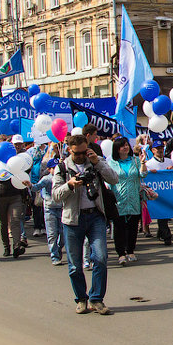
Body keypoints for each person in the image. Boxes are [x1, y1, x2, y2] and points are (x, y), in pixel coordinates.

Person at [52, 134, 120, 315]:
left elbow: (114, 179)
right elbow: (55, 195)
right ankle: (81, 299)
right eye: (77, 153)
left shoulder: (94, 163)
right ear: (69, 150)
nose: (81, 156)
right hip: (72, 219)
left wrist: (98, 162)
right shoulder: (62, 168)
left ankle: (96, 299)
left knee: (100, 257)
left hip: (95, 216)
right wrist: (70, 185)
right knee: (75, 264)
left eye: (84, 151)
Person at [0, 135, 30, 258]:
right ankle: (6, 247)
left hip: (15, 196)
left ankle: (17, 245)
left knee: (16, 220)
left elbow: (22, 177)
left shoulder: (16, 163)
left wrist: (24, 195)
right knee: (3, 223)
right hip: (0, 197)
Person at [108, 136, 143, 266]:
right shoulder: (112, 162)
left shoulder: (135, 160)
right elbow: (108, 179)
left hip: (133, 198)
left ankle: (131, 250)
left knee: (133, 226)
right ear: (117, 149)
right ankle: (121, 253)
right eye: (122, 146)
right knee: (119, 227)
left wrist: (143, 163)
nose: (126, 147)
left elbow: (143, 175)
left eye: (127, 145)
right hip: (119, 199)